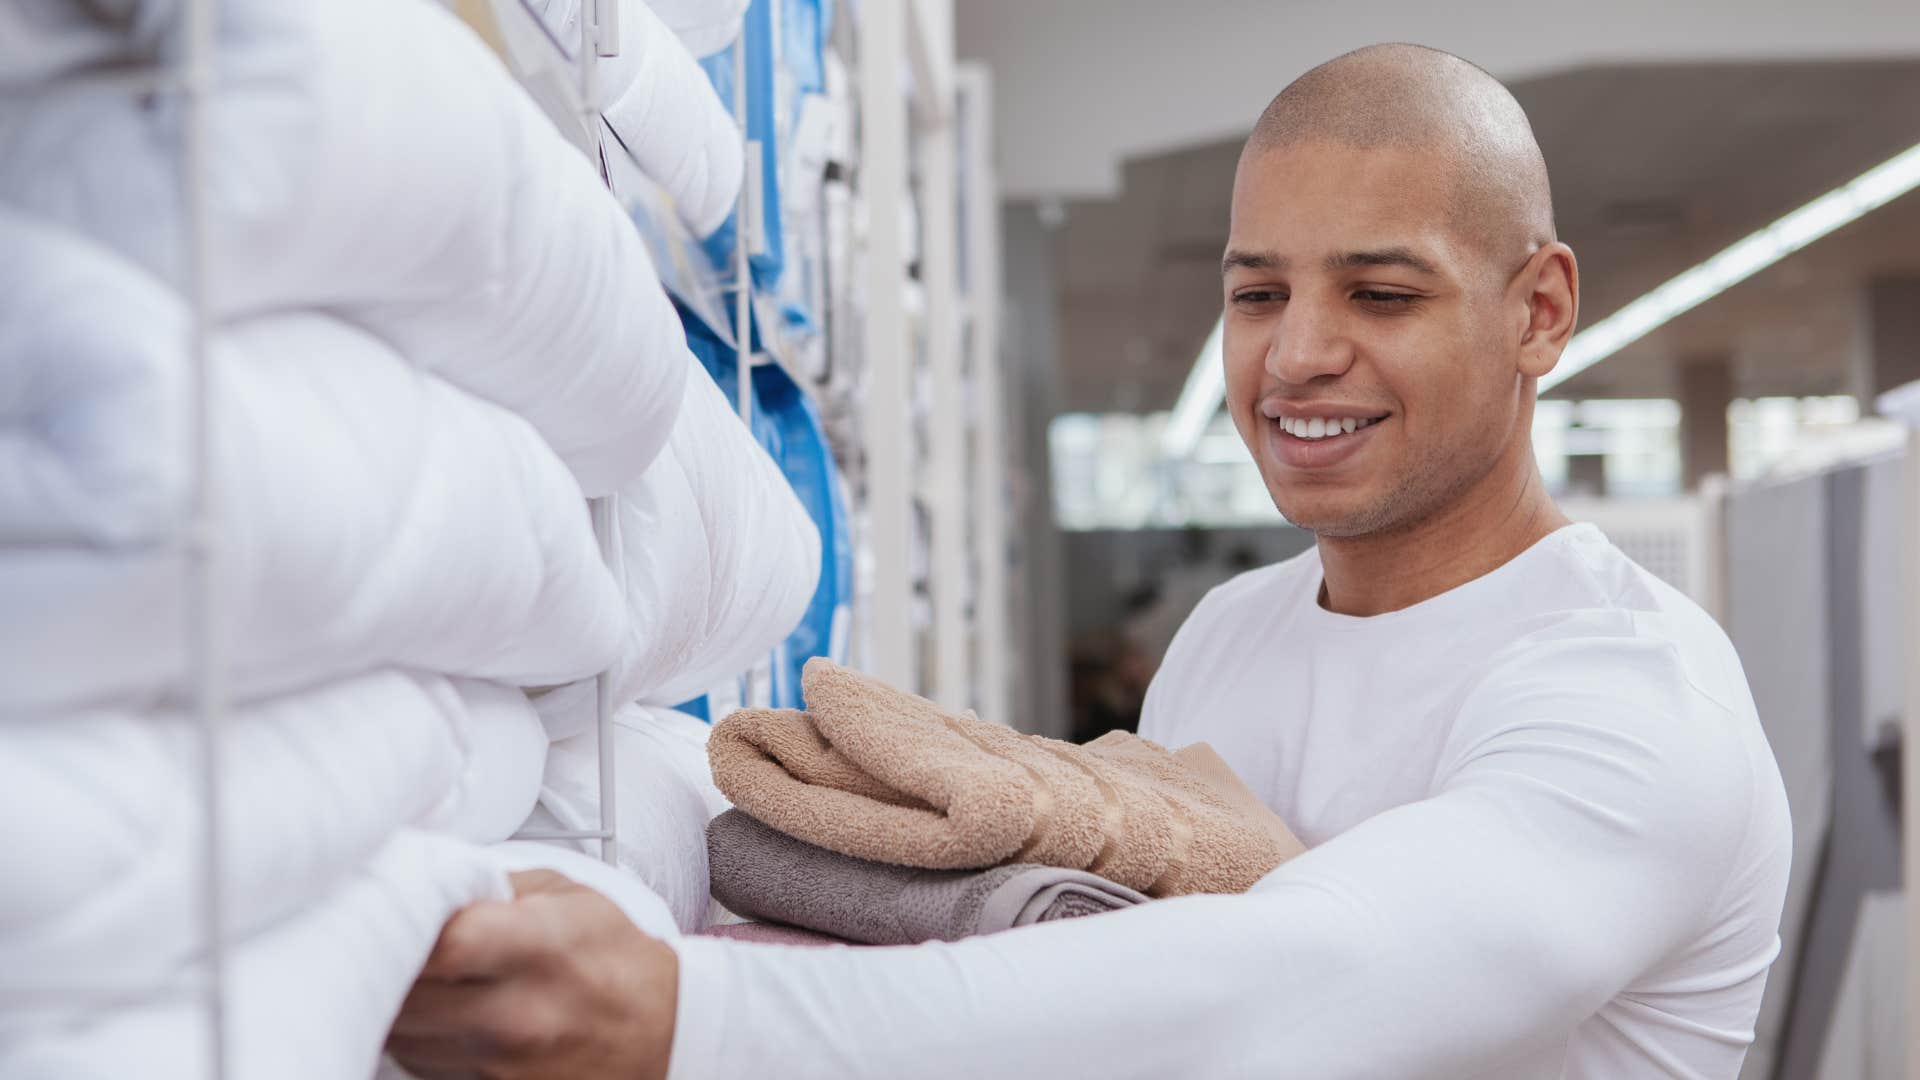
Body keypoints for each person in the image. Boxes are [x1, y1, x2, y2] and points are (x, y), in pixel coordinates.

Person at [386, 43, 1791, 1080]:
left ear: (1539, 310)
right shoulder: (1232, 633)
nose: (1298, 354)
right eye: (1257, 294)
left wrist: (689, 1017)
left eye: (1381, 291)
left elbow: (1307, 987)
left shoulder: (1632, 695)